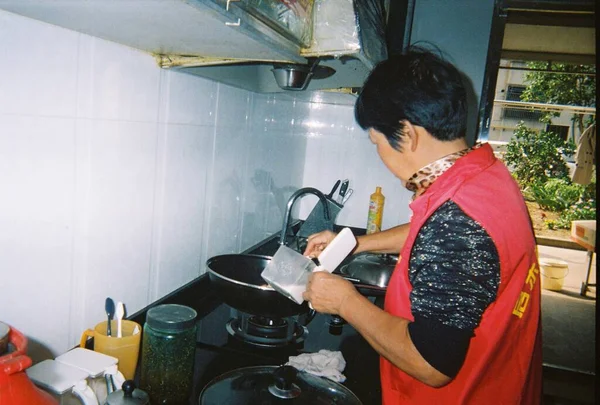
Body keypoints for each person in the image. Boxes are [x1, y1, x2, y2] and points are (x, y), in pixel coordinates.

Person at [302, 47, 542, 404]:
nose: (379, 154)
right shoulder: (485, 176)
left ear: (407, 134)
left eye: (376, 142)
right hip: (504, 381)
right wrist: (356, 243)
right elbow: (430, 232)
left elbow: (432, 362)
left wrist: (344, 301)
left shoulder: (456, 219)